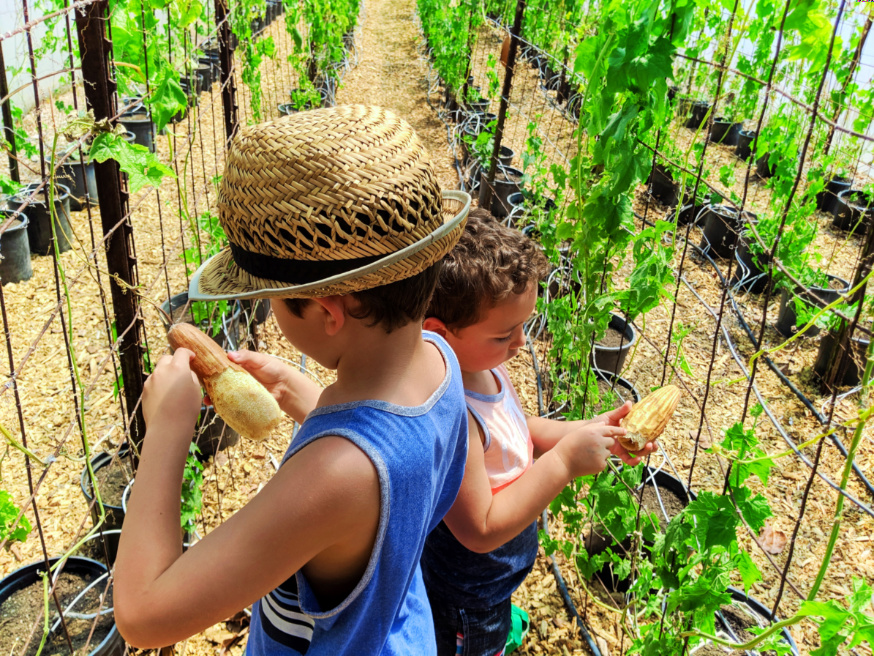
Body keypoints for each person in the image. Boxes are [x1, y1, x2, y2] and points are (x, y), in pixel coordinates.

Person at [114, 105, 473, 655]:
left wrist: (166, 432)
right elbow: (391, 454)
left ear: (330, 312)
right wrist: (301, 395)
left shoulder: (332, 478)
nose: (269, 312)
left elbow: (141, 615)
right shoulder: (440, 360)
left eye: (272, 300)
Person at [420, 209, 655, 656]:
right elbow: (481, 528)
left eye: (524, 326)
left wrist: (591, 429)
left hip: (494, 581)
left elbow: (515, 429)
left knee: (493, 609)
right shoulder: (453, 414)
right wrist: (564, 462)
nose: (522, 343)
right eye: (506, 332)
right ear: (440, 333)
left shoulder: (480, 368)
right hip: (468, 599)